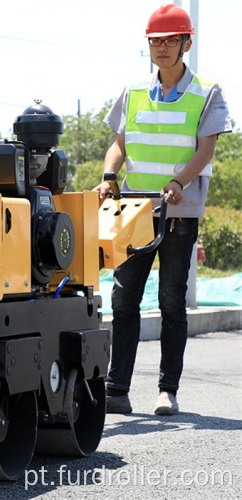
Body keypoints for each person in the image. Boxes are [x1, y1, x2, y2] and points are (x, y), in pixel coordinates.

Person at [93, 4, 231, 415]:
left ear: (186, 43)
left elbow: (206, 149)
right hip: (135, 210)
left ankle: (167, 390)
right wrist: (108, 175)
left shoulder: (207, 91)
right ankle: (117, 390)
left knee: (172, 301)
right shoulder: (133, 92)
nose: (164, 47)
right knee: (124, 299)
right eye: (157, 41)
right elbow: (119, 142)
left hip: (180, 211)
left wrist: (178, 182)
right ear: (149, 46)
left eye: (172, 40)